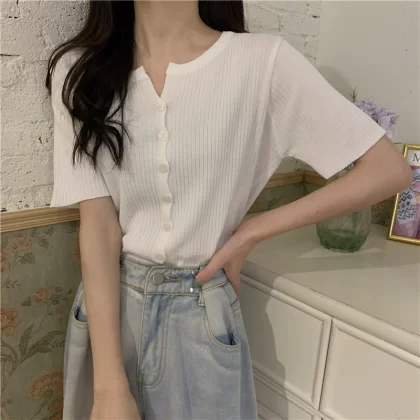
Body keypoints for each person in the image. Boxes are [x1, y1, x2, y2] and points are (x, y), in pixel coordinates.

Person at [46, 1, 412, 419]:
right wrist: (109, 385)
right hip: (107, 316)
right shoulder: (79, 73)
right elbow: (98, 226)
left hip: (199, 313)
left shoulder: (263, 63)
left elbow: (387, 170)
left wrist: (250, 233)